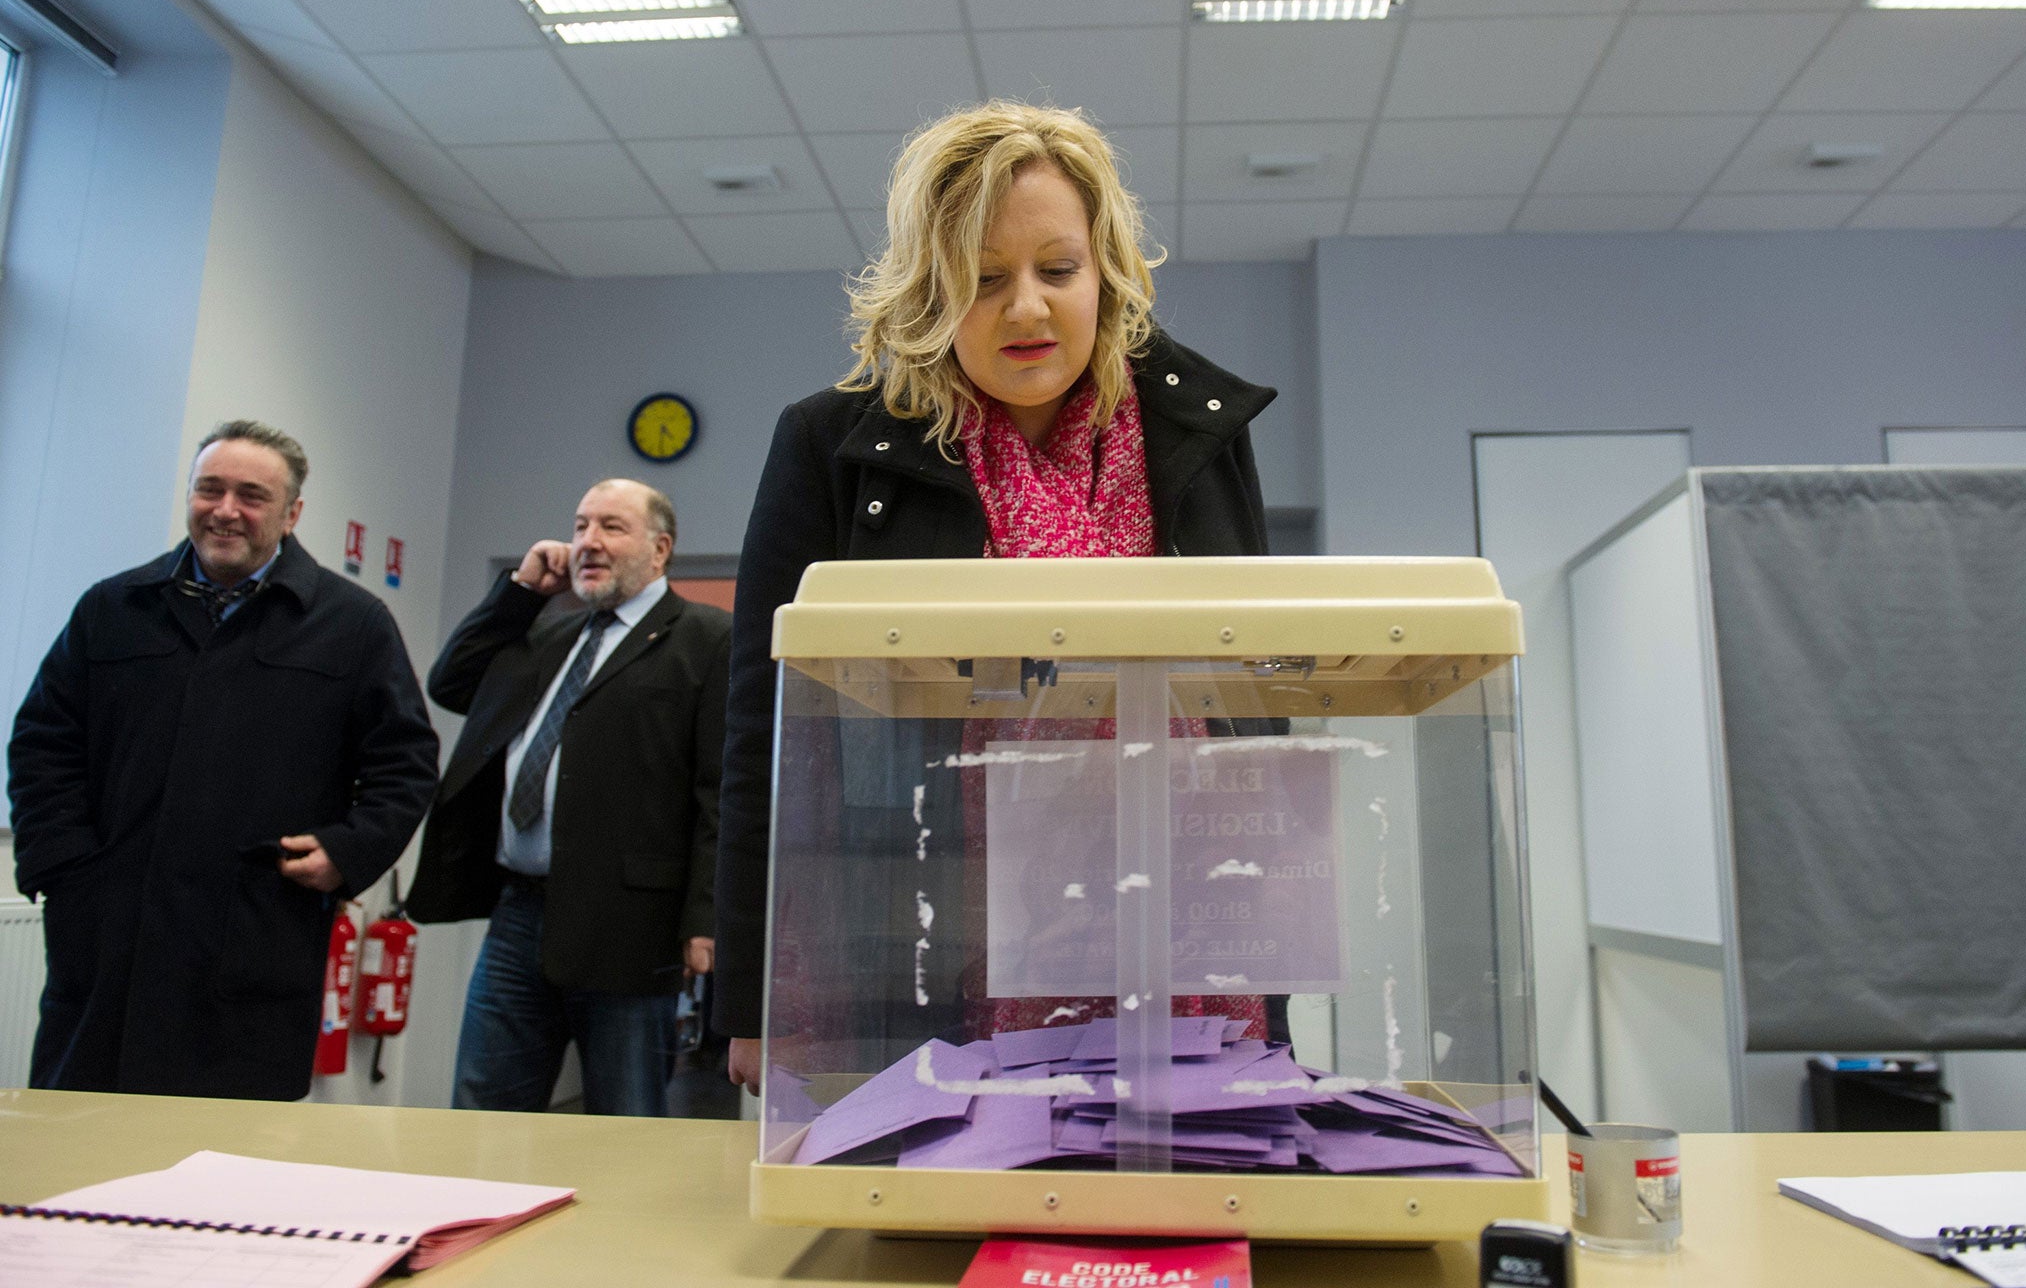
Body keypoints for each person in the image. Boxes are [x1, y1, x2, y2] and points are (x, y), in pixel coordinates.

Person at [715, 100, 1277, 1093]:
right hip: (925, 929)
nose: (1024, 308)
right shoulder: (833, 446)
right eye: (979, 281)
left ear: (1104, 269)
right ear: (925, 290)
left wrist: (1272, 973)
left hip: (1187, 929)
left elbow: (1253, 709)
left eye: (1055, 271)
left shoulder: (1197, 435)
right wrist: (759, 994)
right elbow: (764, 731)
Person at [7, 419, 438, 1100]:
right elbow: (43, 741)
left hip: (254, 930)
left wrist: (346, 852)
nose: (226, 511)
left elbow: (405, 764)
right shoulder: (113, 608)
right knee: (78, 1134)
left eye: (251, 495)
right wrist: (63, 862)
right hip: (108, 925)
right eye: (210, 489)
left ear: (292, 513)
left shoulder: (352, 624)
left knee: (223, 1160)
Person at [408, 480, 729, 1116]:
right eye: (580, 526)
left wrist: (706, 917)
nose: (587, 542)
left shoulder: (708, 638)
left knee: (624, 1118)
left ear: (660, 550)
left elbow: (719, 792)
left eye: (611, 527)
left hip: (631, 924)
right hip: (519, 913)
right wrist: (522, 593)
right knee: (481, 1109)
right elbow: (453, 683)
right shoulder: (552, 636)